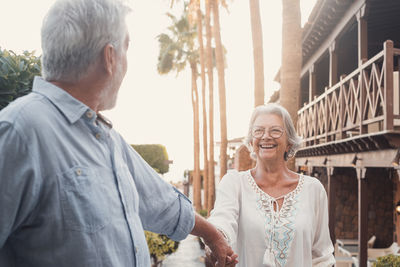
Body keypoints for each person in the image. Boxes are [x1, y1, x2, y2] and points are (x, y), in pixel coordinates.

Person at [0, 0, 237, 266]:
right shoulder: (19, 131)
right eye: (127, 48)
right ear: (109, 57)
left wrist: (214, 237)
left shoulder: (106, 138)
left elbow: (161, 203)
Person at [207, 103, 335, 267]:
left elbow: (322, 255)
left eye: (275, 130)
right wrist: (216, 241)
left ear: (289, 142)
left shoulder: (313, 189)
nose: (266, 136)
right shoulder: (234, 184)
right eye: (258, 131)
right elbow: (222, 218)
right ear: (252, 141)